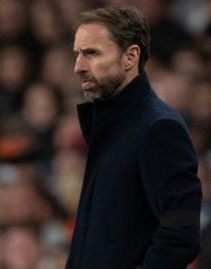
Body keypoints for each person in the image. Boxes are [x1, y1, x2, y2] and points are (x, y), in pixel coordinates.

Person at [67, 6, 202, 269]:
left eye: (91, 53)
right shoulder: (110, 127)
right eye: (78, 54)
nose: (78, 67)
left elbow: (180, 237)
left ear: (130, 57)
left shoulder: (159, 129)